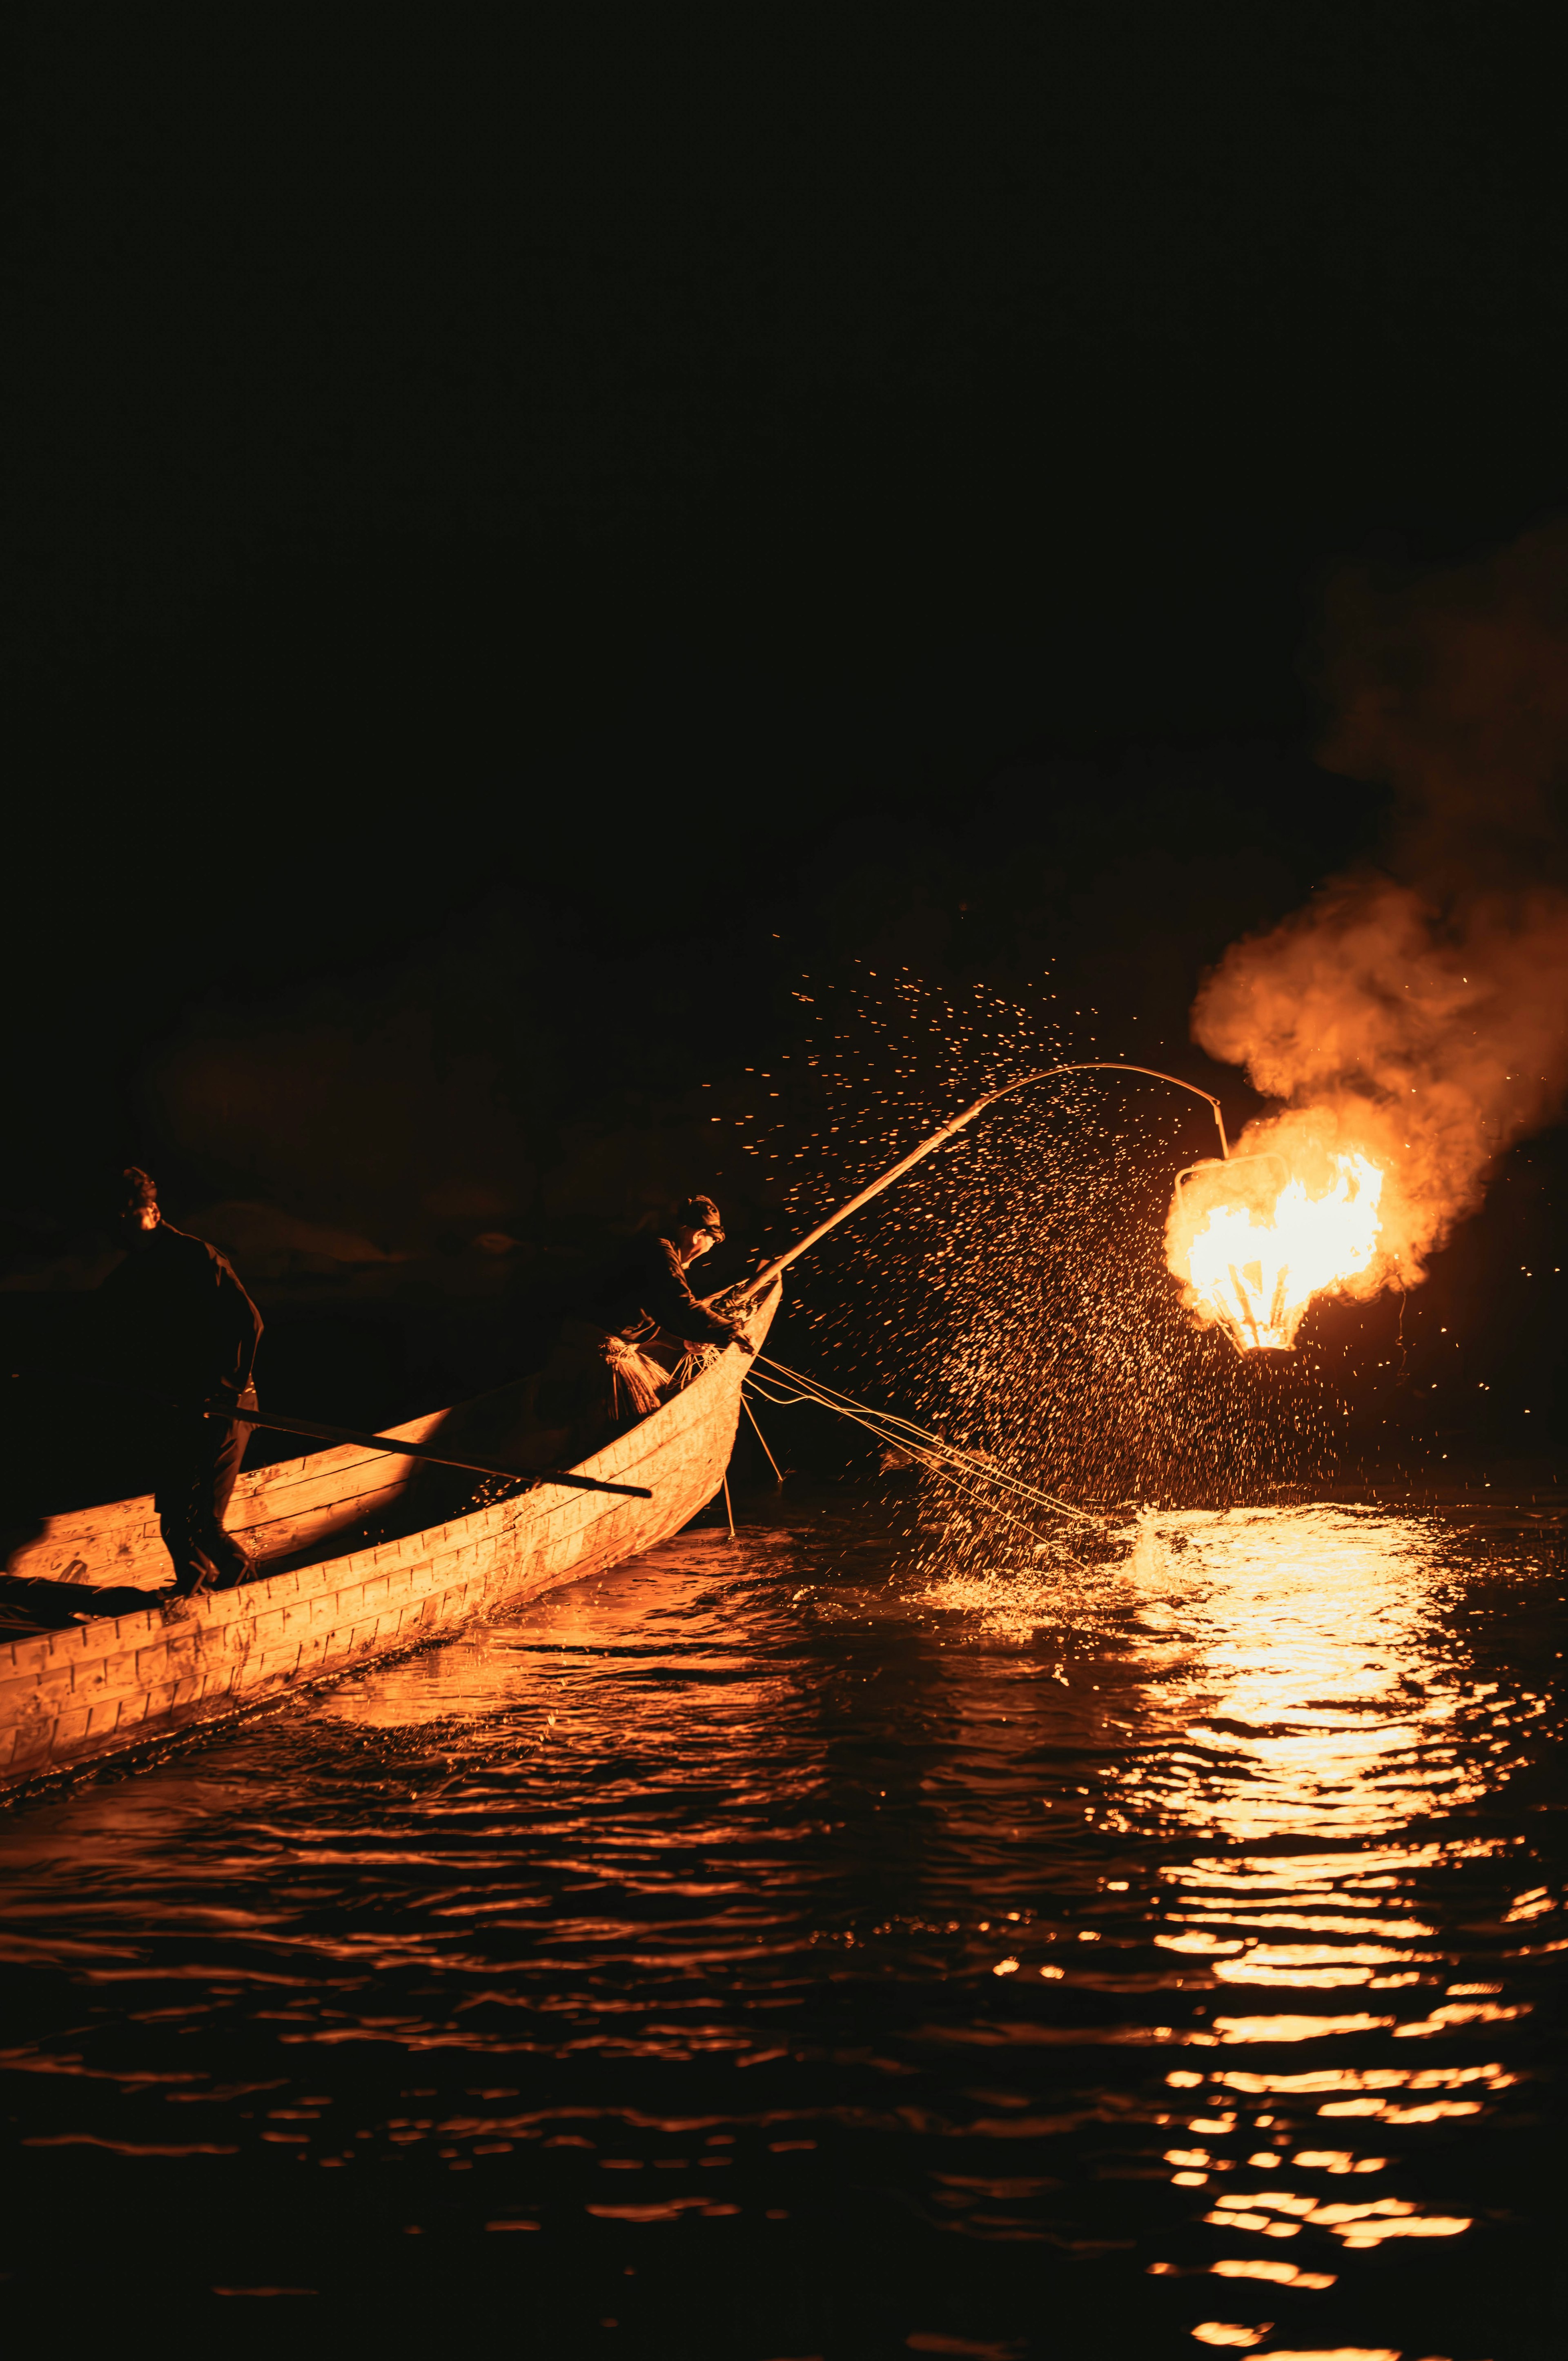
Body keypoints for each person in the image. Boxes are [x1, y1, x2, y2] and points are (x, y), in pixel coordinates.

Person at [98, 1167, 264, 1598]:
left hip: (227, 1405)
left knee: (205, 1524)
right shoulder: (134, 1274)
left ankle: (242, 1587)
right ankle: (191, 1585)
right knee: (173, 1519)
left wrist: (228, 1389)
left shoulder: (198, 1258)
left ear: (152, 1211)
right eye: (115, 1217)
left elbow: (250, 1323)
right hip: (184, 1407)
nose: (121, 1224)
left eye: (129, 1213)